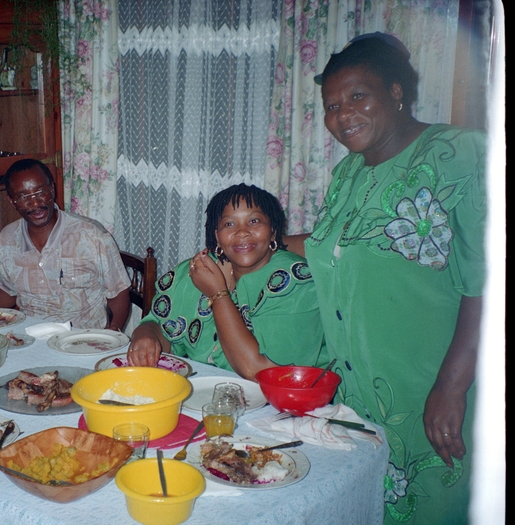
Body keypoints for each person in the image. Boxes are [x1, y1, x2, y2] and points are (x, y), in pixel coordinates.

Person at [301, 33, 485, 524]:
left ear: (397, 92)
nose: (342, 114)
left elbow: (487, 284)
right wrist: (246, 248)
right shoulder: (348, 175)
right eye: (332, 104)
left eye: (358, 96)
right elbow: (327, 246)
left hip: (430, 390)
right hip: (358, 400)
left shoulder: (459, 155)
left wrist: (450, 388)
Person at [128, 184, 325, 380]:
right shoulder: (198, 271)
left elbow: (262, 373)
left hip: (276, 404)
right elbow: (158, 324)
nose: (242, 232)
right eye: (229, 224)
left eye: (254, 221)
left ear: (273, 231)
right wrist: (147, 335)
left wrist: (217, 294)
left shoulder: (295, 282)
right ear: (217, 236)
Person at [0, 159, 131, 330]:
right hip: (31, 340)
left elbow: (119, 292)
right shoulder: (7, 239)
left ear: (52, 189)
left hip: (84, 340)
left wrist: (112, 333)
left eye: (40, 191)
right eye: (23, 197)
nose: (35, 203)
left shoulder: (91, 235)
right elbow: (7, 292)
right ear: (12, 201)